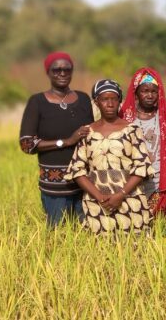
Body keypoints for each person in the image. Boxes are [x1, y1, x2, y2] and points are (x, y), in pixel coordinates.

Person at [66, 79, 154, 234]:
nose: (110, 104)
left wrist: (121, 195)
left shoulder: (132, 130)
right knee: (100, 250)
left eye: (114, 99)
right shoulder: (87, 132)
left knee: (134, 247)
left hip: (130, 199)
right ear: (96, 102)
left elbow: (142, 167)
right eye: (105, 99)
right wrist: (99, 197)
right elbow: (77, 170)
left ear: (119, 101)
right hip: (97, 202)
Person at [19, 52, 94, 227]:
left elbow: (91, 134)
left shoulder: (83, 99)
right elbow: (26, 144)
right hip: (55, 188)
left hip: (84, 184)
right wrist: (66, 141)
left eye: (67, 70)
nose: (62, 73)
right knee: (58, 235)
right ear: (48, 72)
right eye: (57, 70)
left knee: (87, 235)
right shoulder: (37, 102)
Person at [119, 67, 166, 216]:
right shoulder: (126, 119)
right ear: (136, 93)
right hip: (131, 182)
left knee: (156, 226)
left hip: (158, 182)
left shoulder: (164, 119)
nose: (149, 95)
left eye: (153, 91)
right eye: (145, 91)